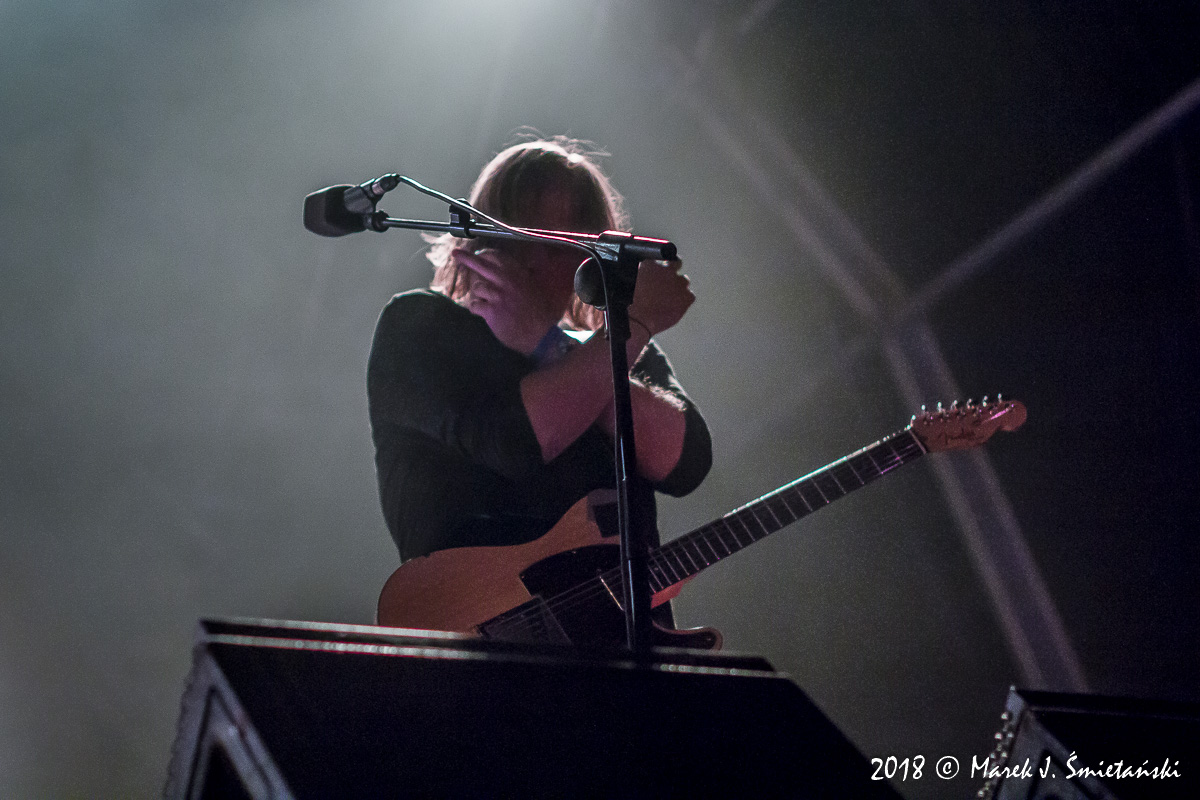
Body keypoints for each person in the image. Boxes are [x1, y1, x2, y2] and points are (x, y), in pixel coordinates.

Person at [367, 137, 711, 571]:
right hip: (481, 605)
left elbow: (684, 463)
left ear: (586, 259)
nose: (531, 261)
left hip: (618, 610)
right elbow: (518, 443)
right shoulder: (420, 325)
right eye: (515, 238)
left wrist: (561, 341)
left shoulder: (616, 344)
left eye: (554, 245)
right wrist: (554, 341)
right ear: (480, 240)